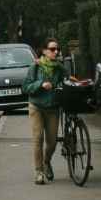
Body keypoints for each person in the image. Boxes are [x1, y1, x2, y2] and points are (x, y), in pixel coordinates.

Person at [22, 38, 67, 184]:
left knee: (52, 142)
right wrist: (41, 84)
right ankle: (39, 171)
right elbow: (26, 87)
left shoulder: (59, 68)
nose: (56, 52)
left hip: (53, 107)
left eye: (57, 49)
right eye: (52, 49)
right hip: (36, 107)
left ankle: (47, 162)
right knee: (38, 138)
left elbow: (67, 80)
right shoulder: (35, 67)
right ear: (44, 51)